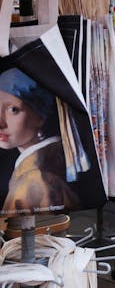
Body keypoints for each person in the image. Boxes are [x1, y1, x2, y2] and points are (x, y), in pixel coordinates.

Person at [0, 68, 79, 215]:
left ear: (40, 116)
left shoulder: (34, 180)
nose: (0, 123)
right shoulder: (53, 159)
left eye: (13, 110)